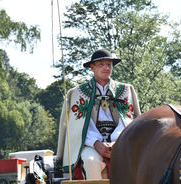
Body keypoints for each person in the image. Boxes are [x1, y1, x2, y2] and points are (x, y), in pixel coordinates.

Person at [56, 49, 141, 180]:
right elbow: (79, 125)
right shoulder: (78, 93)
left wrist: (116, 142)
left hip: (120, 141)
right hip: (90, 143)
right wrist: (96, 143)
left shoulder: (125, 90)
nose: (106, 68)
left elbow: (128, 119)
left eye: (109, 64)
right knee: (91, 161)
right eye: (101, 64)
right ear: (92, 68)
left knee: (135, 161)